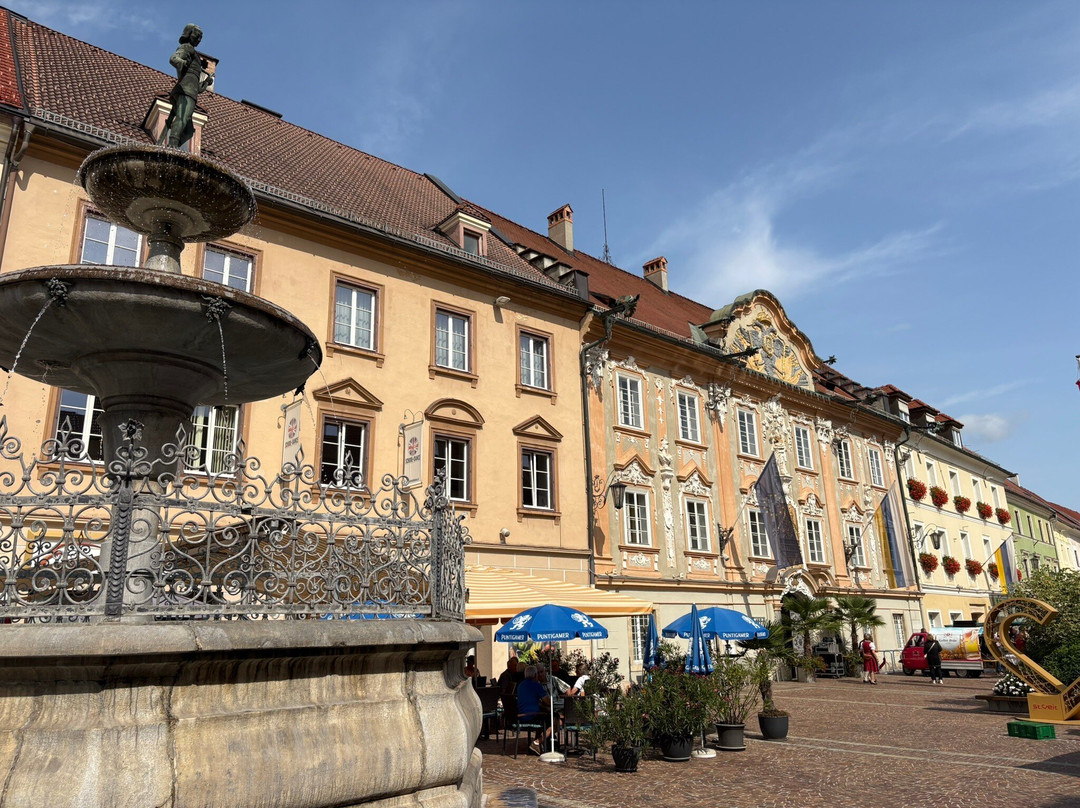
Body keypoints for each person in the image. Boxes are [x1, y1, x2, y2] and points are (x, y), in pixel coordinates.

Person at [162, 24, 215, 149]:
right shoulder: (187, 48)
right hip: (185, 90)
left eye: (200, 37)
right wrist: (183, 63)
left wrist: (206, 82)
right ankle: (172, 147)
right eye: (196, 35)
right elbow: (174, 58)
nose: (198, 39)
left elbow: (198, 88)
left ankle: (173, 147)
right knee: (183, 118)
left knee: (189, 130)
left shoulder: (195, 55)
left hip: (191, 91)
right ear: (189, 34)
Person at [516, 665, 556, 755]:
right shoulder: (536, 685)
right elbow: (548, 702)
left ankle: (539, 743)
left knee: (545, 717)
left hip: (521, 715)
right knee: (554, 720)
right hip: (531, 715)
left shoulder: (520, 685)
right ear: (535, 675)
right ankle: (538, 742)